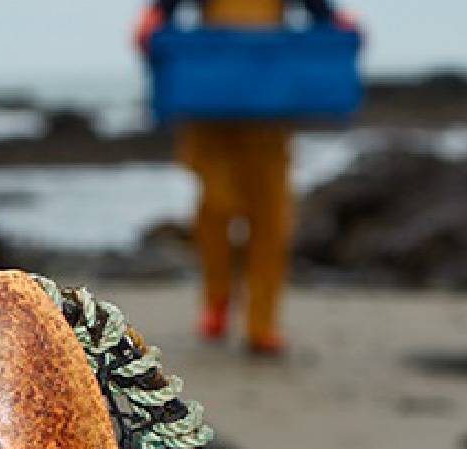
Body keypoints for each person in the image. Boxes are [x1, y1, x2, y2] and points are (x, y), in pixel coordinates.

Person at [135, 0, 357, 357]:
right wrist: (153, 18)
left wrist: (335, 21)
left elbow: (317, 9)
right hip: (210, 98)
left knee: (271, 212)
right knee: (217, 205)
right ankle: (217, 299)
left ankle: (262, 323)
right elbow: (165, 9)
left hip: (268, 103)